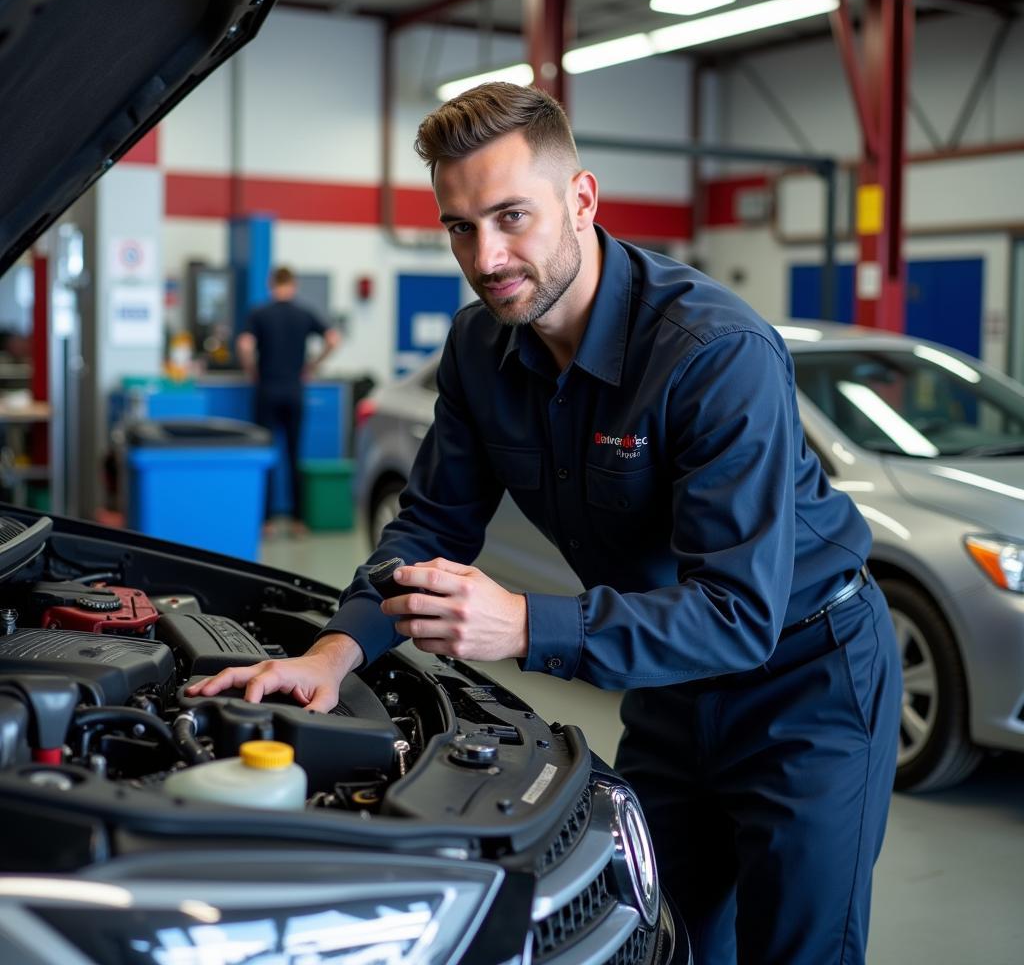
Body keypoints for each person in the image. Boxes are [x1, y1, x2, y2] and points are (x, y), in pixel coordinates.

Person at [190, 84, 901, 964]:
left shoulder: (713, 354)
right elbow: (430, 526)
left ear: (583, 200)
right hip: (672, 683)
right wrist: (331, 657)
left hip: (807, 677)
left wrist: (524, 624)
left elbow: (738, 614)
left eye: (511, 217)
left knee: (799, 949)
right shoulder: (479, 351)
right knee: (655, 934)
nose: (487, 257)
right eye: (459, 226)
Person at [237, 266, 340, 537]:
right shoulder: (303, 313)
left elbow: (245, 346)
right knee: (295, 455)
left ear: (271, 284)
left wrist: (252, 370)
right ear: (292, 285)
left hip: (267, 391)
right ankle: (298, 522)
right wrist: (312, 365)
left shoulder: (259, 313)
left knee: (267, 456)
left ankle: (266, 522)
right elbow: (333, 338)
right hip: (295, 391)